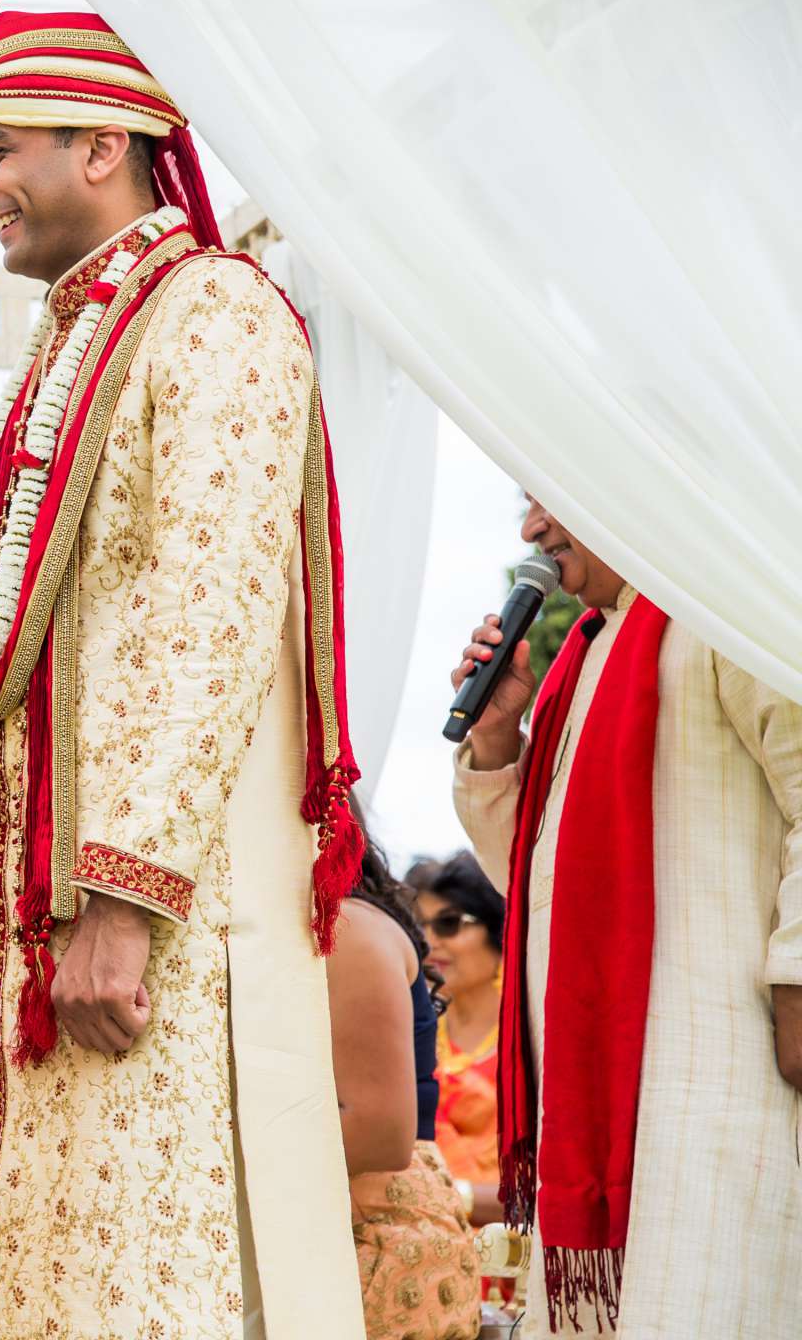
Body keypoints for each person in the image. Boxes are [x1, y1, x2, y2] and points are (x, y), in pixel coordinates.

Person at [0, 0, 366, 1340]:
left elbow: (207, 623)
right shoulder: (81, 339)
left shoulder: (216, 315)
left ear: (103, 145)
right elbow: (17, 665)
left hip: (164, 922)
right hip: (55, 919)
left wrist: (121, 900)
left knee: (173, 1280)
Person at [452, 493, 802, 1335]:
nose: (531, 531)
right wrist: (500, 741)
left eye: (549, 502)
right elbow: (542, 884)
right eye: (524, 508)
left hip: (719, 1088)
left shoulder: (722, 606)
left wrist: (797, 976)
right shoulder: (584, 659)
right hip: (600, 1119)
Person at [330, 841, 479, 1340]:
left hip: (383, 1238)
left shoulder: (350, 927)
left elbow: (378, 1135)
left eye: (453, 923)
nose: (435, 938)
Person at [415, 850, 505, 1225]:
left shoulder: (533, 1035)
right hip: (423, 1246)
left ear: (499, 930)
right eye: (419, 925)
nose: (429, 940)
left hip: (512, 1250)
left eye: (448, 924)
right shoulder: (414, 1029)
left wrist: (455, 1197)